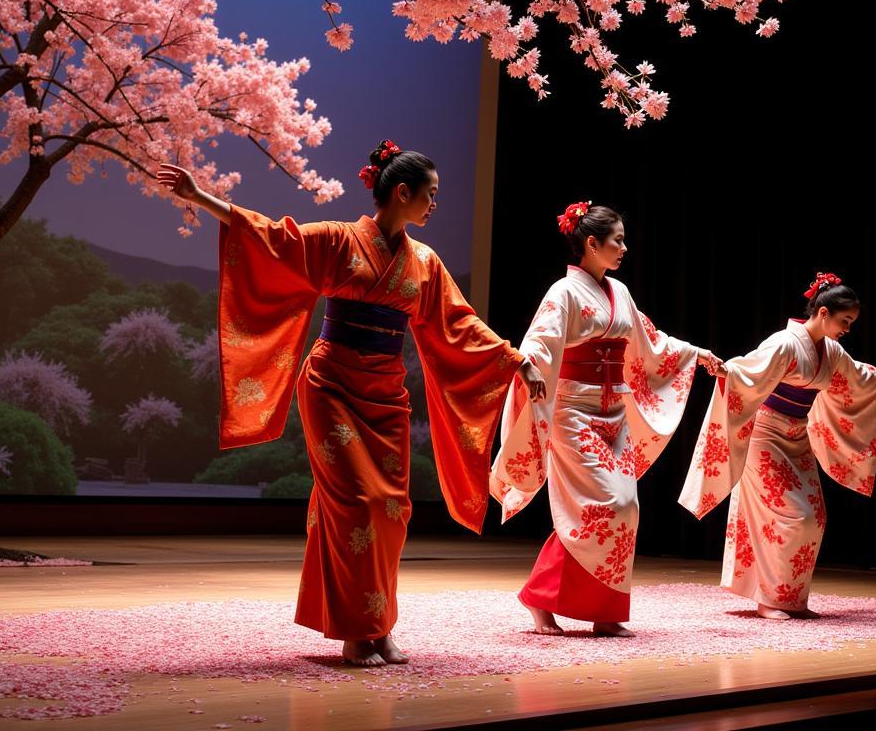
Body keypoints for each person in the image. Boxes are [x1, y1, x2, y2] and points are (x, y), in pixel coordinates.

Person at [156, 141, 544, 666]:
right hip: (332, 388)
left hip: (385, 396)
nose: (435, 204)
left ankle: (378, 625)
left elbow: (459, 322)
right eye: (430, 194)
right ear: (401, 192)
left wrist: (515, 359)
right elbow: (273, 238)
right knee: (357, 504)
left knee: (392, 510)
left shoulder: (424, 262)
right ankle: (355, 632)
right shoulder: (339, 241)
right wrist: (202, 197)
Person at [490, 202, 724, 636]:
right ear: (591, 244)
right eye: (616, 240)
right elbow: (541, 342)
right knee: (603, 506)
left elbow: (649, 341)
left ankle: (603, 611)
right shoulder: (563, 293)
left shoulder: (620, 292)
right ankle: (542, 600)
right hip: (573, 413)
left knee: (625, 509)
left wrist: (697, 353)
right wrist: (532, 367)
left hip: (613, 415)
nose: (624, 247)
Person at [679, 273, 876, 619]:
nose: (847, 329)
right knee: (794, 516)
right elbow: (749, 370)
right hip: (764, 436)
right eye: (844, 321)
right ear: (823, 313)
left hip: (795, 435)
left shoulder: (831, 350)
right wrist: (726, 372)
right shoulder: (785, 343)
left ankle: (791, 599)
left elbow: (855, 375)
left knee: (814, 517)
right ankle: (769, 600)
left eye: (851, 322)